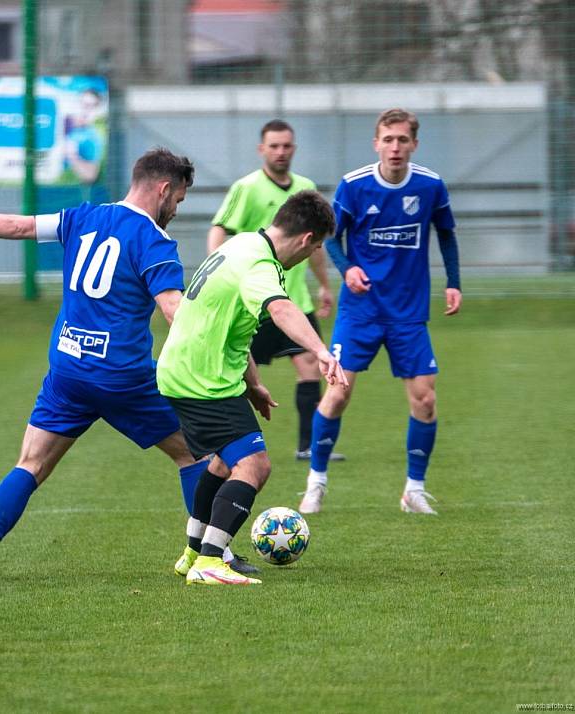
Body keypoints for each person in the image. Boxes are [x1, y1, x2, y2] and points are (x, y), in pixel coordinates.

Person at [0, 147, 256, 580]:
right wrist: (225, 346)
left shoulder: (83, 216)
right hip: (125, 379)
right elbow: (172, 308)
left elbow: (18, 225)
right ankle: (213, 554)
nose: (175, 210)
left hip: (68, 372)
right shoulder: (153, 240)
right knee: (196, 456)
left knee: (30, 465)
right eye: (179, 200)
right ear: (164, 189)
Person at [157, 190, 348, 586]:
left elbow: (232, 329)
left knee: (224, 462)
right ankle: (211, 561)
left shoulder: (241, 243)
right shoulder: (260, 264)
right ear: (306, 239)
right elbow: (280, 308)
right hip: (202, 379)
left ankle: (194, 551)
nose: (309, 258)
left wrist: (255, 384)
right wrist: (321, 351)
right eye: (315, 249)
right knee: (255, 465)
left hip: (188, 370)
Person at [299, 108, 462, 516]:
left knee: (425, 400)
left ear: (414, 145)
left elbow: (446, 234)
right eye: (388, 139)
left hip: (408, 314)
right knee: (337, 393)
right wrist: (347, 268)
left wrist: (454, 281)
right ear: (376, 143)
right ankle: (316, 483)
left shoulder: (429, 185)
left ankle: (414, 490)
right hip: (361, 312)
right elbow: (331, 238)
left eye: (402, 140)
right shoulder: (354, 186)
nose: (395, 147)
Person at [207, 119, 345, 463]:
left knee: (311, 365)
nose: (281, 152)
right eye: (274, 146)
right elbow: (220, 230)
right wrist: (217, 271)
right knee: (238, 367)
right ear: (262, 149)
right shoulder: (247, 188)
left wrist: (325, 286)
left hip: (293, 299)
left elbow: (315, 246)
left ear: (294, 149)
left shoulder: (305, 188)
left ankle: (307, 445)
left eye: (287, 146)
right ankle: (233, 444)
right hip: (256, 299)